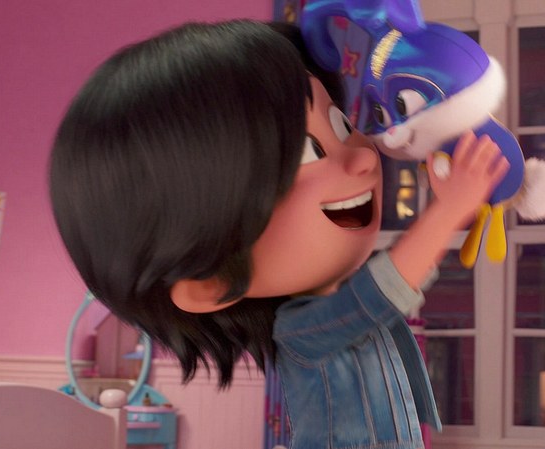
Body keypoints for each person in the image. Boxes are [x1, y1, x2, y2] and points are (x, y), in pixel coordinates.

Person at [49, 19, 508, 449]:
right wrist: (448, 211)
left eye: (341, 125)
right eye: (307, 153)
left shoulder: (344, 299)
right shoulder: (303, 330)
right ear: (212, 281)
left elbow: (399, 278)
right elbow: (387, 287)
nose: (364, 157)